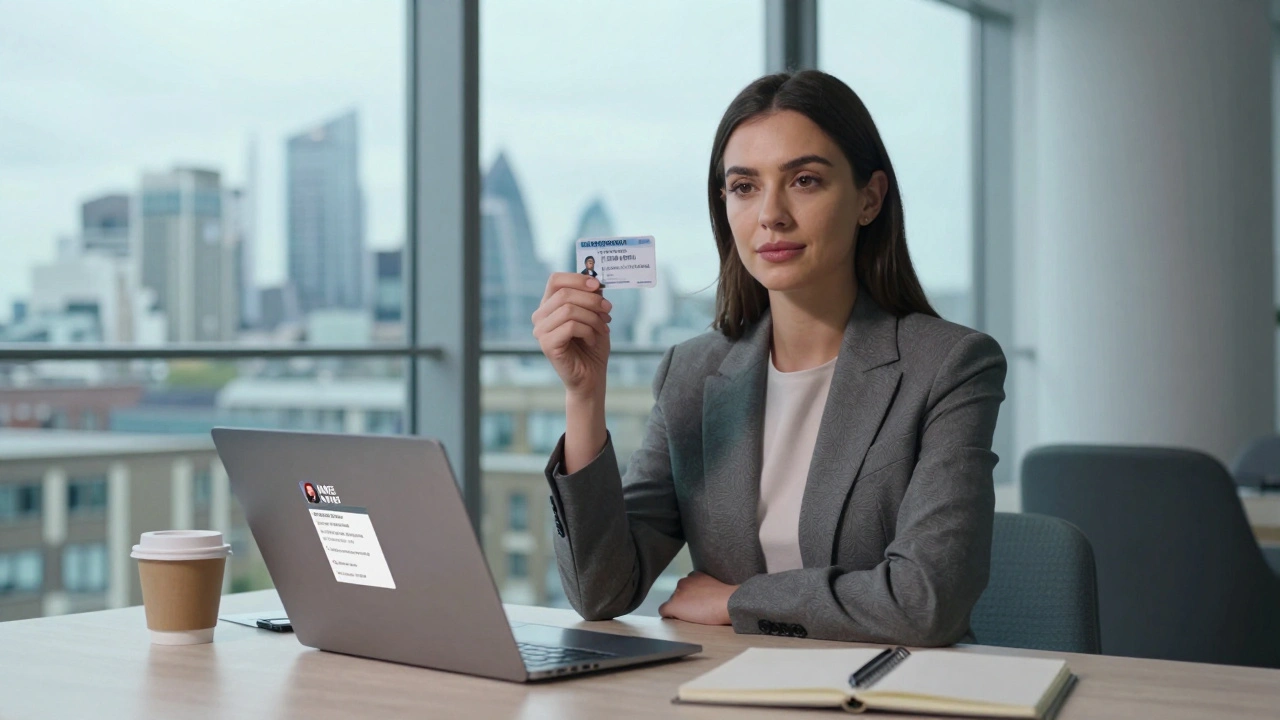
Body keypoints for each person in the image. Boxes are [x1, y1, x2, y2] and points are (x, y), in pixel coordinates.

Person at [531, 70, 1006, 647]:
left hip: (885, 694)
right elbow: (601, 593)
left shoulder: (949, 366)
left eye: (804, 180)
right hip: (725, 690)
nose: (771, 215)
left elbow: (925, 603)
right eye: (744, 186)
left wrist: (735, 602)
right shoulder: (692, 373)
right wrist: (585, 396)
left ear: (869, 198)